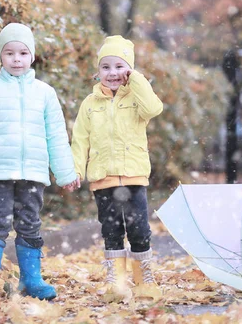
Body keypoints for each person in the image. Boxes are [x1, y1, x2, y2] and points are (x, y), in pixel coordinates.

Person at [0, 23, 79, 301]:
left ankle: (31, 280)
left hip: (33, 175)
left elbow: (56, 136)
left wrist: (65, 173)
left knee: (30, 224)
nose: (17, 59)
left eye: (23, 53)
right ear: (0, 57)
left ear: (32, 56)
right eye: (9, 53)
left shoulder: (45, 93)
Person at [70, 35, 163, 292]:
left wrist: (137, 79)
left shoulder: (137, 99)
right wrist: (76, 170)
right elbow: (80, 140)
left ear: (130, 70)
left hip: (133, 176)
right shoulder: (90, 104)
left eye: (120, 66)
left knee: (139, 228)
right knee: (111, 229)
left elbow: (154, 108)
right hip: (103, 178)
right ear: (97, 71)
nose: (112, 73)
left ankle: (144, 280)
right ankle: (117, 281)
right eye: (106, 67)